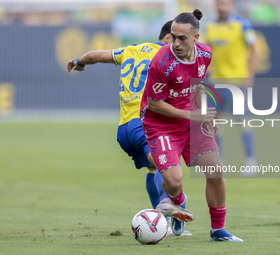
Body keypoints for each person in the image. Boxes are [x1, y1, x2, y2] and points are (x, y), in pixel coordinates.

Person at [67, 20, 191, 236]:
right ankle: (171, 202)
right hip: (144, 123)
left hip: (124, 129)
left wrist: (79, 62)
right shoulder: (166, 57)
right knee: (166, 162)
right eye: (178, 39)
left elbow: (95, 56)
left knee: (153, 167)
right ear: (168, 38)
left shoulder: (130, 50)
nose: (181, 46)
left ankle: (162, 223)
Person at [140, 9, 243, 241]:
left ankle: (218, 230)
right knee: (174, 183)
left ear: (196, 38)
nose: (175, 43)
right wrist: (191, 115)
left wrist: (206, 115)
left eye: (182, 38)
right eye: (173, 37)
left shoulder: (205, 54)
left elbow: (195, 86)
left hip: (191, 121)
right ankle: (178, 204)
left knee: (216, 170)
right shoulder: (162, 62)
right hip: (161, 126)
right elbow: (155, 105)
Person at [205, 0, 259, 175]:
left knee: (242, 120)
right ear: (215, 6)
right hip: (216, 81)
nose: (222, 7)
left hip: (236, 81)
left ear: (231, 6)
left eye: (226, 4)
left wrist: (249, 76)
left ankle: (251, 161)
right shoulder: (210, 27)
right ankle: (219, 161)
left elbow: (255, 51)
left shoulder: (242, 25)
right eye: (219, 4)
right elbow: (205, 53)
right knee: (216, 121)